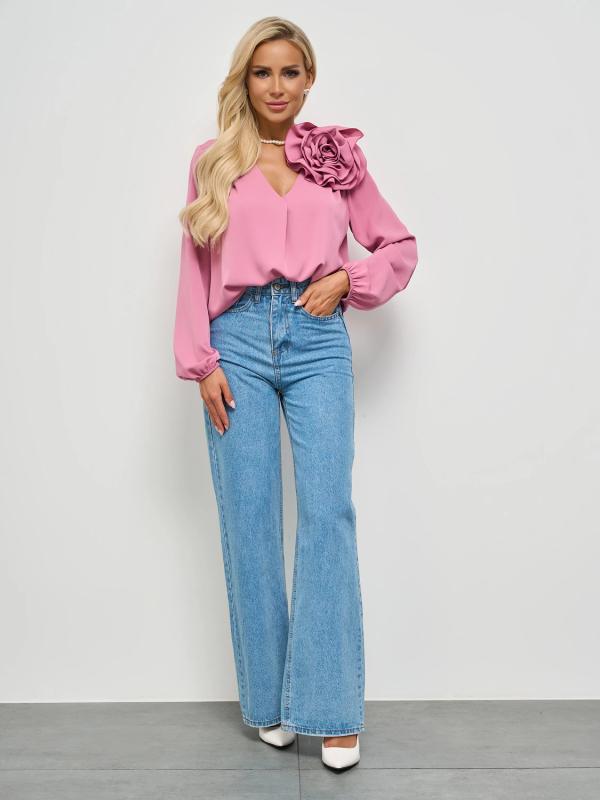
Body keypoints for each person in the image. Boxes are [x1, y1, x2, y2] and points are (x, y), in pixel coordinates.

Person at [173, 16, 418, 772]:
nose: (275, 87)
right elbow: (193, 266)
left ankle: (332, 709)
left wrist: (348, 279)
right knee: (249, 518)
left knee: (327, 512)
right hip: (237, 343)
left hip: (317, 342)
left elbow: (399, 246)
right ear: (244, 81)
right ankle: (271, 703)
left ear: (309, 79)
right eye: (262, 72)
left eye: (289, 72)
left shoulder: (335, 159)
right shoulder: (213, 161)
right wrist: (200, 362)